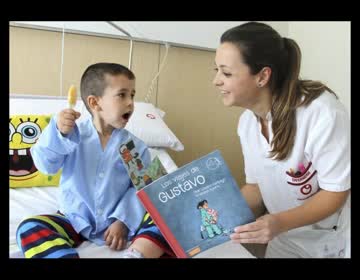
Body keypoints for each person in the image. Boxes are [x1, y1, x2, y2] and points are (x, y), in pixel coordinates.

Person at [212, 22, 350, 258]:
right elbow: (256, 188)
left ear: (263, 76)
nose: (216, 81)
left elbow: (336, 192)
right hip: (285, 238)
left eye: (226, 73)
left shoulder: (321, 113)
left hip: (331, 241)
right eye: (215, 70)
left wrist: (277, 222)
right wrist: (219, 212)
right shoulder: (248, 123)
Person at [16, 62, 174, 258]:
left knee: (166, 209)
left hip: (118, 222)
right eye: (122, 95)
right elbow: (45, 165)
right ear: (94, 103)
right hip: (74, 219)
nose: (130, 103)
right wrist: (58, 133)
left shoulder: (134, 146)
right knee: (30, 226)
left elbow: (143, 188)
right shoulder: (72, 135)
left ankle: (138, 254)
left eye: (132, 95)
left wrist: (122, 221)